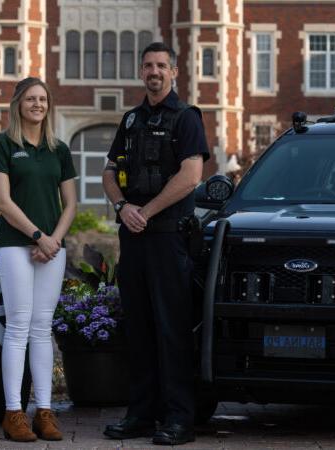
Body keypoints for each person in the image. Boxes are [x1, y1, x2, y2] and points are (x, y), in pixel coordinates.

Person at [102, 42, 210, 446]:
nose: (154, 71)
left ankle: (179, 418)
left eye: (161, 65)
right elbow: (109, 171)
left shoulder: (186, 118)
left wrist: (145, 212)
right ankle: (141, 415)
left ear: (174, 72)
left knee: (172, 329)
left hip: (168, 238)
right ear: (140, 72)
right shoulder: (130, 120)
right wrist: (121, 205)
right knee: (140, 328)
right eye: (148, 65)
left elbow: (191, 175)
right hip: (133, 239)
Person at [0, 77, 77, 442]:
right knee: (19, 325)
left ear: (48, 105)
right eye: (30, 99)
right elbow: (4, 203)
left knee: (42, 327)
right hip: (15, 246)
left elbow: (70, 203)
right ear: (18, 104)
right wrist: (38, 236)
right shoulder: (2, 145)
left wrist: (53, 240)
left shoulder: (59, 149)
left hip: (52, 248)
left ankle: (44, 411)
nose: (37, 104)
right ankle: (13, 413)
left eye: (42, 99)